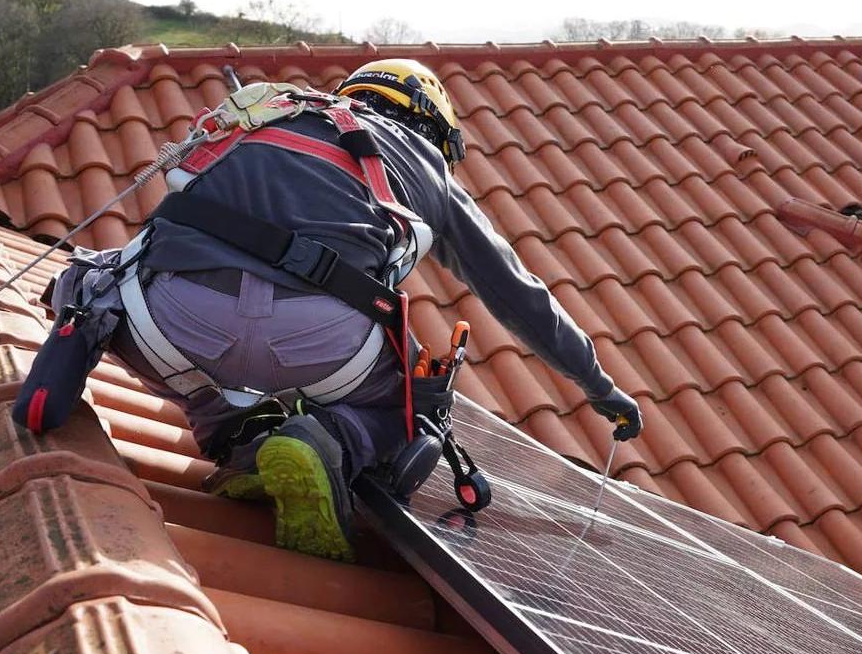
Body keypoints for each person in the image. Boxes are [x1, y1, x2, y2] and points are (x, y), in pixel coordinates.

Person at [40, 58, 641, 563]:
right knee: (417, 400)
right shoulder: (423, 164)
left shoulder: (265, 113)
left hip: (170, 324)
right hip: (325, 349)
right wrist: (598, 384)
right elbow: (518, 296)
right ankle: (333, 439)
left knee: (97, 285)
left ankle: (87, 376)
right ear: (432, 125)